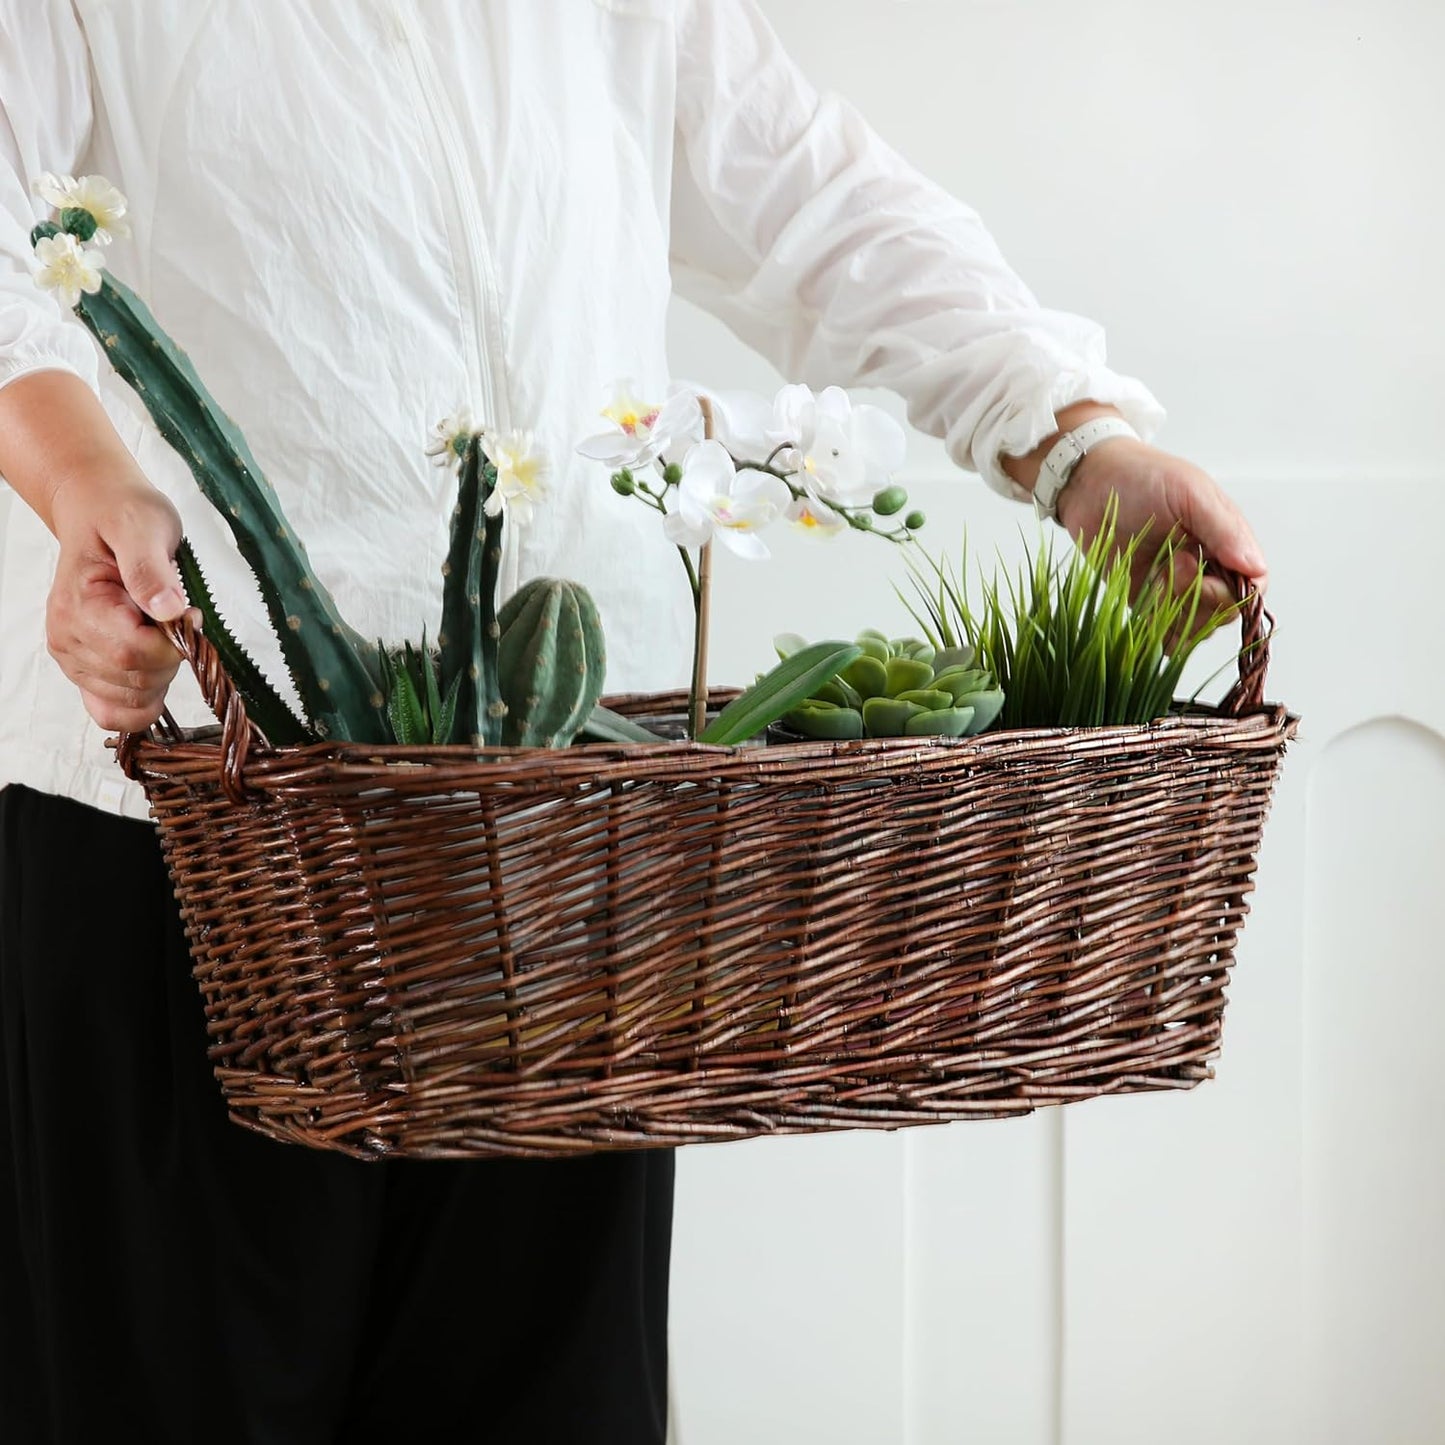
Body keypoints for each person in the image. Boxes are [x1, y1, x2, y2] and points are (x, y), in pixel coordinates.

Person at [0, 2, 1268, 1441]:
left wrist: (1073, 440)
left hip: (566, 851)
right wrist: (83, 480)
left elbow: (809, 199)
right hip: (200, 826)